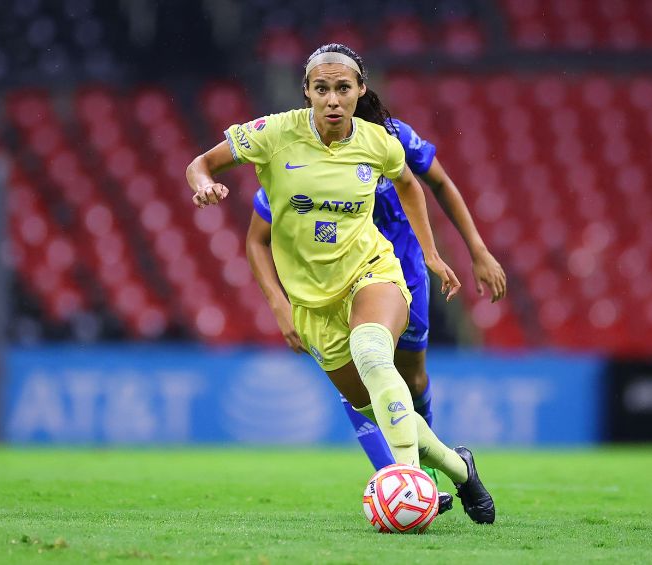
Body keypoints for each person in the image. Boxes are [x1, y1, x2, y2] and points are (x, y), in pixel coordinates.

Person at [187, 43, 496, 524]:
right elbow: (201, 164)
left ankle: (411, 488)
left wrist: (432, 253)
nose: (332, 99)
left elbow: (414, 184)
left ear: (360, 91)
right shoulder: (273, 135)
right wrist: (203, 183)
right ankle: (461, 468)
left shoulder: (380, 141)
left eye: (343, 89)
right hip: (313, 303)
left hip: (372, 271)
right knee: (374, 405)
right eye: (322, 89)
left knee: (373, 353)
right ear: (307, 92)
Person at [244, 89, 506, 502]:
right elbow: (257, 236)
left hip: (401, 272)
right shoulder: (298, 161)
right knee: (367, 371)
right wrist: (279, 305)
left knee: (409, 376)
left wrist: (476, 250)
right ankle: (405, 481)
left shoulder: (392, 138)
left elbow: (437, 182)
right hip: (333, 283)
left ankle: (427, 475)